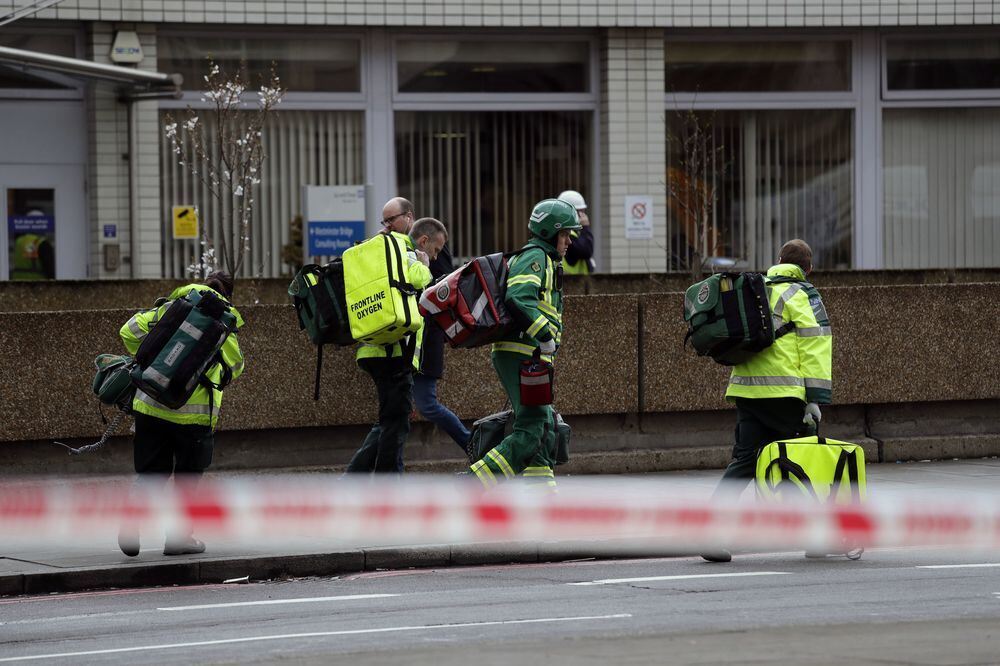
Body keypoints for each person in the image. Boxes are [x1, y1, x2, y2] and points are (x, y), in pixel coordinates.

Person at [702, 239, 833, 563]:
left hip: (747, 391)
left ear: (778, 261)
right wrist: (815, 399)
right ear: (809, 269)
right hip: (785, 393)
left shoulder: (758, 288)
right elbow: (816, 347)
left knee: (744, 463)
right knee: (802, 463)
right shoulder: (804, 294)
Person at [117, 271, 245, 557]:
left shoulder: (171, 309)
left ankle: (131, 521)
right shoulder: (225, 324)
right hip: (194, 416)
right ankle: (178, 539)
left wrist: (156, 357)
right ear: (229, 296)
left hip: (150, 404)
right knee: (187, 478)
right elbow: (234, 368)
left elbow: (128, 332)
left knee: (151, 473)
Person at [469, 199, 582, 491]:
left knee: (543, 427)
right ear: (548, 232)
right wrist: (544, 336)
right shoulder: (536, 258)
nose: (569, 241)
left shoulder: (545, 259)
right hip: (523, 353)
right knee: (531, 429)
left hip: (530, 355)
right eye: (565, 234)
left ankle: (542, 494)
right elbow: (518, 297)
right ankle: (472, 485)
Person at [345, 198, 432, 474]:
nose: (387, 225)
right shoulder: (402, 247)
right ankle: (382, 488)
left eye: (390, 219)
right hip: (393, 349)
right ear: (410, 218)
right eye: (386, 221)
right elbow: (417, 279)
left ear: (407, 216)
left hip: (373, 348)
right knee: (395, 424)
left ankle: (361, 481)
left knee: (389, 421)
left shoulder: (370, 249)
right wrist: (425, 262)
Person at [410, 218, 472, 457]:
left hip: (426, 343)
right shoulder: (405, 251)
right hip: (416, 344)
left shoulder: (427, 257)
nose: (435, 256)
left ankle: (471, 444)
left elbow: (443, 289)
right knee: (397, 415)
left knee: (425, 404)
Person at [557, 190, 595, 275]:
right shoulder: (568, 236)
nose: (583, 216)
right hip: (572, 284)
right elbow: (587, 251)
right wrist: (585, 227)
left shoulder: (573, 234)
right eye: (580, 212)